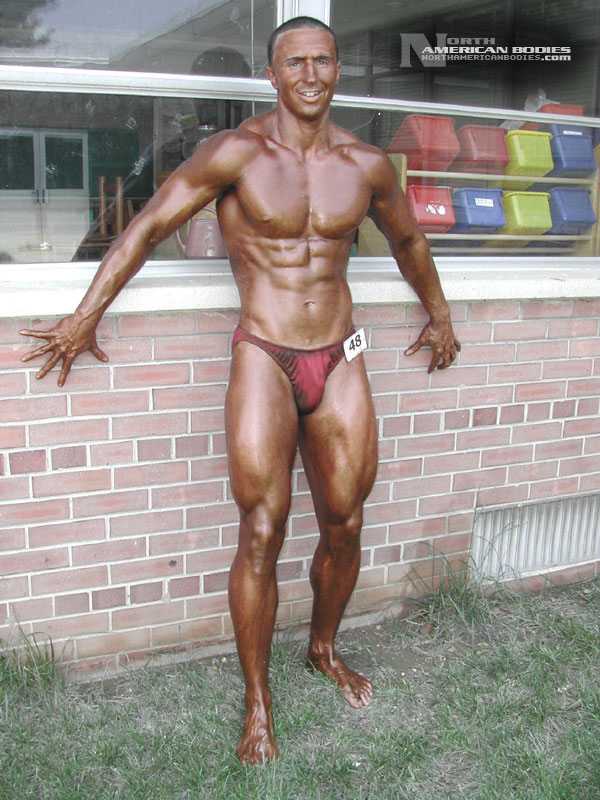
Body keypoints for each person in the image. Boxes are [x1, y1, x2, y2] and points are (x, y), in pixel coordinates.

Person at [21, 16, 460, 765]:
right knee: (262, 527)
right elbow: (147, 226)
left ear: (337, 70)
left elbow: (409, 240)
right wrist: (84, 315)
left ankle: (322, 647)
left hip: (341, 354)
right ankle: (257, 701)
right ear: (272, 75)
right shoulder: (236, 153)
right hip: (265, 351)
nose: (311, 75)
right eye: (296, 63)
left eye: (323, 61)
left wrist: (440, 314)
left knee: (346, 522)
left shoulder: (365, 164)